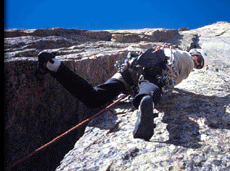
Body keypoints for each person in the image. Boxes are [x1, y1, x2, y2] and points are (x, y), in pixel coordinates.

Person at [37, 45, 207, 141]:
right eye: (199, 61)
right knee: (151, 85)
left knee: (94, 98)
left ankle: (54, 66)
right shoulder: (186, 59)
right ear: (194, 55)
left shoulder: (167, 49)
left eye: (199, 65)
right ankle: (146, 100)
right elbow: (167, 81)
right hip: (155, 68)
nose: (197, 65)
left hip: (131, 68)